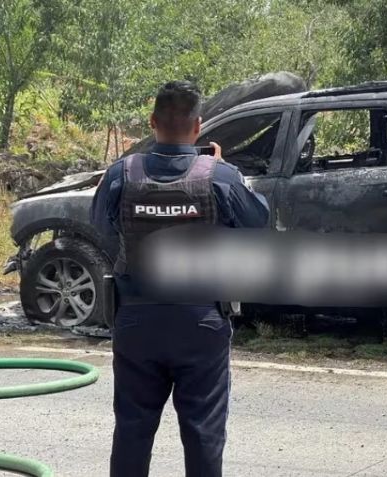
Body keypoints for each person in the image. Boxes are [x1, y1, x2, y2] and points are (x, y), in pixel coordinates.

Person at [90, 80, 269, 477]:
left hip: (137, 319)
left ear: (152, 122)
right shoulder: (220, 175)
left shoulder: (123, 172)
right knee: (204, 433)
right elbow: (259, 223)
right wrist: (225, 171)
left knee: (133, 431)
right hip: (200, 321)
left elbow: (99, 225)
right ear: (198, 126)